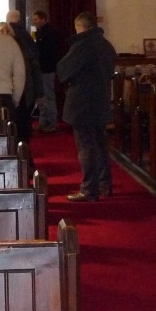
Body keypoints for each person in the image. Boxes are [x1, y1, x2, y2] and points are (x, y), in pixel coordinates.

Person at [57, 11, 117, 202]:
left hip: (82, 103)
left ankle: (89, 189)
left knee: (86, 147)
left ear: (81, 27)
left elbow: (63, 71)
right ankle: (104, 185)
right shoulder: (106, 45)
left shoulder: (83, 45)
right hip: (100, 100)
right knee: (100, 145)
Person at [5, 10, 44, 146]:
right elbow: (35, 67)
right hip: (23, 90)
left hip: (19, 90)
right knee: (22, 124)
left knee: (19, 124)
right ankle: (23, 151)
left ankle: (20, 151)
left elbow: (33, 68)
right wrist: (39, 92)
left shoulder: (20, 47)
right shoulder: (24, 41)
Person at [31, 9, 62, 132]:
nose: (34, 22)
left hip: (47, 69)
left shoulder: (50, 33)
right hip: (40, 69)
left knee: (48, 96)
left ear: (43, 19)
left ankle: (52, 122)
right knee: (41, 97)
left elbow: (49, 52)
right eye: (33, 20)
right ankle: (43, 121)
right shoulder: (37, 33)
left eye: (36, 19)